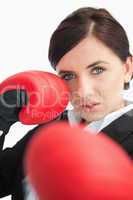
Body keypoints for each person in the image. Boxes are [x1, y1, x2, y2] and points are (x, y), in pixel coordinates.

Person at [0, 6, 133, 200]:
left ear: (127, 68)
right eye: (68, 75)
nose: (83, 91)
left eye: (97, 70)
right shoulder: (51, 128)